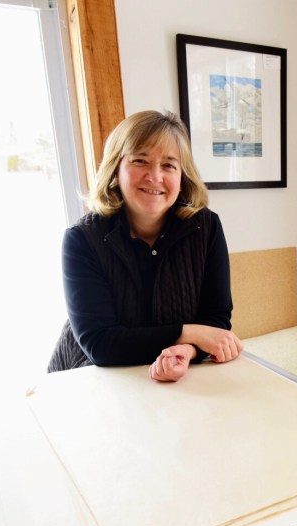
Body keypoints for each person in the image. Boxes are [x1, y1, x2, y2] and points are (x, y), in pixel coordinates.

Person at [49, 110, 243, 382]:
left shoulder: (207, 228)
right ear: (115, 169)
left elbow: (216, 320)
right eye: (140, 161)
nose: (155, 176)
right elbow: (100, 343)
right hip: (91, 378)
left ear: (182, 175)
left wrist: (185, 350)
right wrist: (190, 333)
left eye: (168, 165)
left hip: (176, 380)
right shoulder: (81, 239)